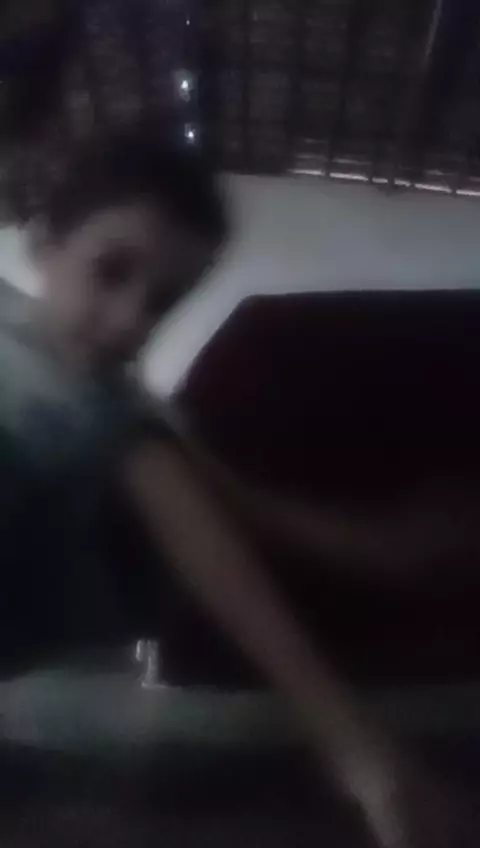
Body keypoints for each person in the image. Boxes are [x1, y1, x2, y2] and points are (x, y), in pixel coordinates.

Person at [0, 124, 472, 848]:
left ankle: (367, 762)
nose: (129, 321)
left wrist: (391, 553)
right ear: (44, 244)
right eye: (110, 271)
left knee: (146, 452)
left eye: (162, 302)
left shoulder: (122, 410)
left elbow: (245, 510)